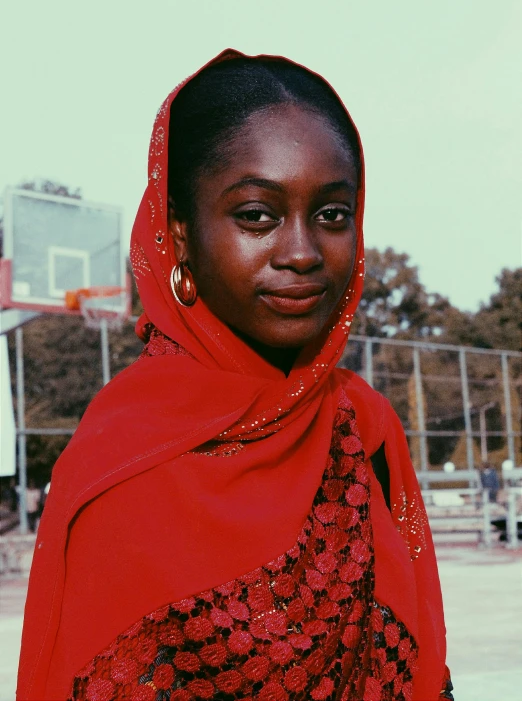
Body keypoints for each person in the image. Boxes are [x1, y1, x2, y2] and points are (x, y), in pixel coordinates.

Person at [17, 50, 454, 701]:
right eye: (257, 215)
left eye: (332, 214)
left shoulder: (364, 426)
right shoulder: (119, 466)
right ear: (180, 236)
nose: (302, 251)